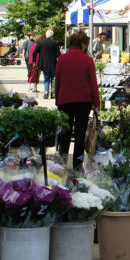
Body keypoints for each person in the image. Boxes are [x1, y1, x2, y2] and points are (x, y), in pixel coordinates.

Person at [55, 31, 100, 171]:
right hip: (83, 100)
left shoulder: (62, 59)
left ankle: (62, 161)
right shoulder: (87, 60)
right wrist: (97, 104)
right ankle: (77, 165)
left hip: (65, 100)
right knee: (80, 134)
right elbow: (93, 84)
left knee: (65, 133)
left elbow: (58, 82)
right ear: (83, 44)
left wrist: (57, 100)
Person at [36, 29, 61, 99]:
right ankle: (52, 93)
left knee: (46, 79)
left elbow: (34, 52)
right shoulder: (55, 43)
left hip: (44, 64)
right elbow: (59, 54)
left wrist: (35, 60)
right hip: (53, 64)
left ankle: (46, 93)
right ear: (52, 36)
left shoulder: (41, 42)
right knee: (53, 79)